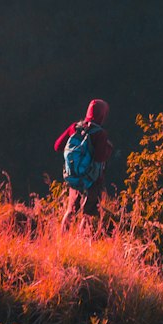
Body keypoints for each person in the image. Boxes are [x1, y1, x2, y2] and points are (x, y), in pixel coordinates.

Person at [55, 98, 113, 232]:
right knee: (87, 214)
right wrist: (108, 148)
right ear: (102, 114)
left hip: (75, 178)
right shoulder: (100, 134)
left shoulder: (75, 127)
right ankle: (81, 243)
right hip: (92, 181)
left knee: (70, 211)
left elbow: (57, 146)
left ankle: (62, 241)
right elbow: (99, 158)